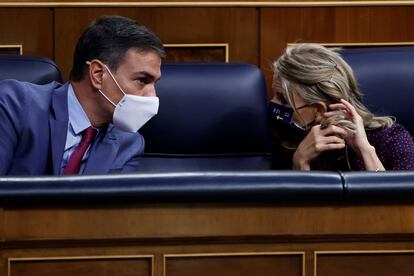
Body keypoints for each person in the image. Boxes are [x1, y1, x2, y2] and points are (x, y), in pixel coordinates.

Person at [0, 15, 165, 175]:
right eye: (143, 80)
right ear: (98, 74)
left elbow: (105, 202)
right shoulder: (15, 105)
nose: (152, 96)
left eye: (155, 83)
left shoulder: (128, 145)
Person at [268, 43, 414, 171]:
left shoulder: (392, 140)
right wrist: (300, 163)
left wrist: (366, 152)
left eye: (284, 100)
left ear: (319, 110)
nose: (273, 104)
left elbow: (398, 201)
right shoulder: (286, 143)